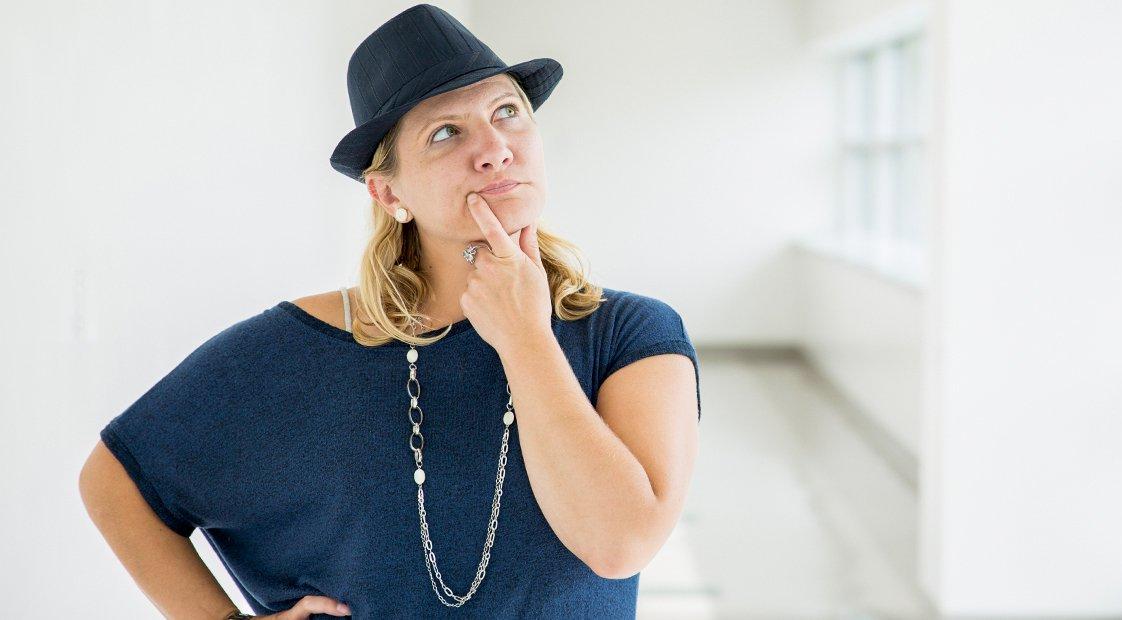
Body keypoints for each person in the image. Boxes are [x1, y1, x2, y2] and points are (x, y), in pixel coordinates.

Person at [77, 4, 702, 618]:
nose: (494, 149)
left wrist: (524, 337)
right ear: (388, 191)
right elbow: (115, 481)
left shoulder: (632, 335)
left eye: (507, 112)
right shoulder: (300, 347)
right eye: (445, 133)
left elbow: (620, 545)